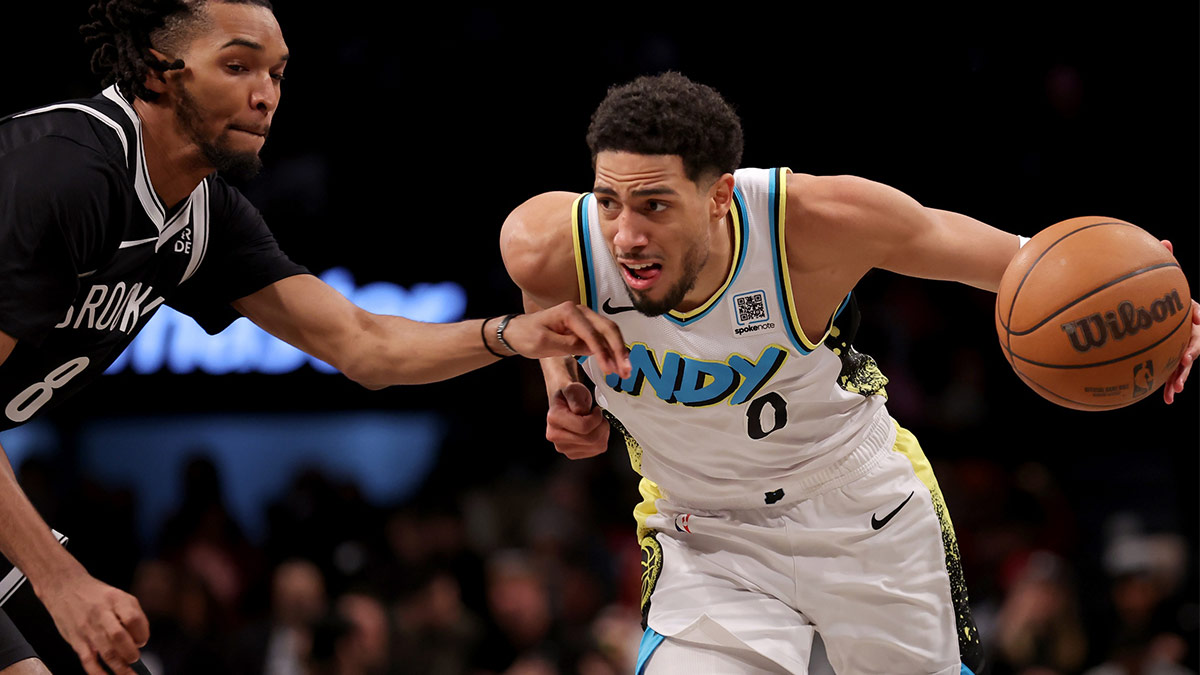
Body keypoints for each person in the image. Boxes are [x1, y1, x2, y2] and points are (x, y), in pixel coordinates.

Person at [0, 2, 632, 674]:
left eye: (276, 73)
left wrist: (513, 334)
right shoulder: (64, 173)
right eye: (237, 65)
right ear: (158, 73)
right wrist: (60, 578)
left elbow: (364, 345)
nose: (265, 93)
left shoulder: (202, 214)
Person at [500, 72, 1200, 674]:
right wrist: (564, 385)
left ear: (718, 198)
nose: (624, 233)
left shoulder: (812, 223)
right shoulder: (551, 247)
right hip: (705, 532)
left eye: (654, 204)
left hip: (861, 512)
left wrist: (1149, 295)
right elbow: (542, 301)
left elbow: (1033, 265)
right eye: (609, 201)